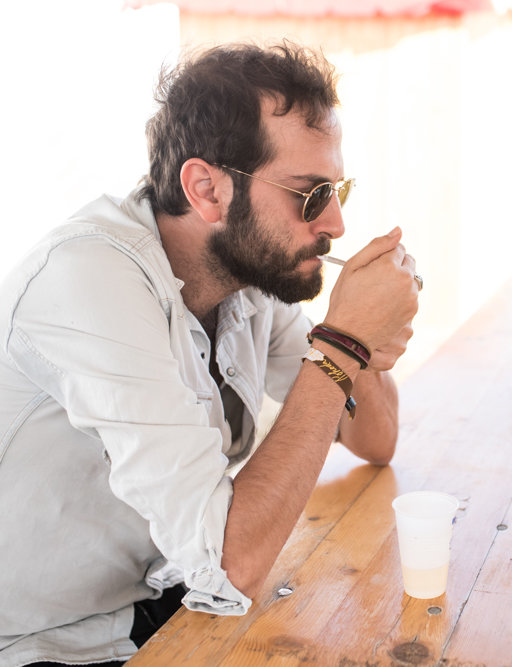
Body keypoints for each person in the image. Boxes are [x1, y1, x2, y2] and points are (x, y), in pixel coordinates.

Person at [0, 43, 420, 666]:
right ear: (207, 190)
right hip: (48, 642)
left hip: (165, 606)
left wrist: (367, 340)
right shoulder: (89, 278)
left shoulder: (249, 277)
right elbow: (232, 564)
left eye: (338, 190)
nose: (334, 222)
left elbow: (375, 440)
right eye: (309, 194)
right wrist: (341, 343)